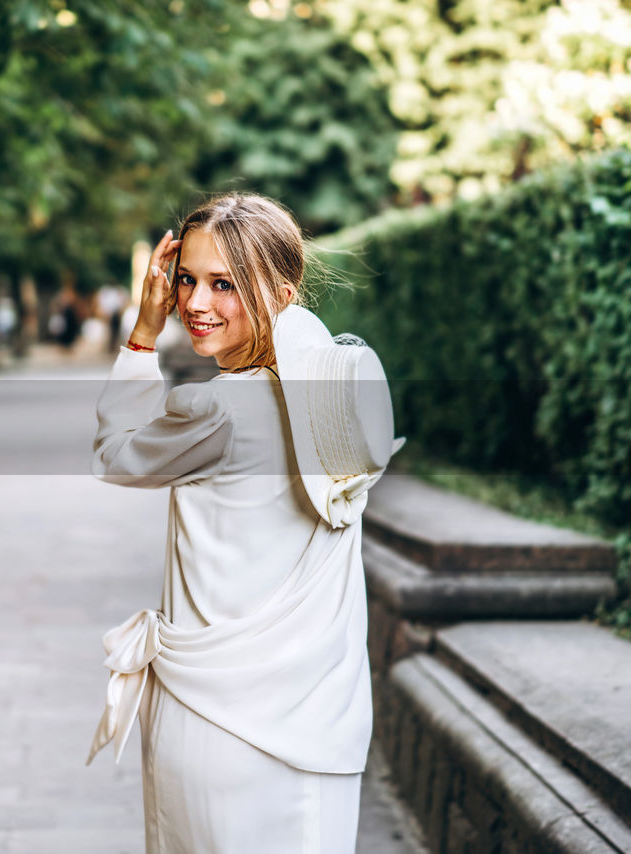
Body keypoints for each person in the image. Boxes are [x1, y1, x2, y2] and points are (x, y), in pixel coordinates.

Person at [85, 193, 403, 853]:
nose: (196, 303)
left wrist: (143, 335)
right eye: (187, 280)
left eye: (223, 284)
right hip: (322, 724)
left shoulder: (218, 408)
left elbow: (116, 456)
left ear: (279, 294)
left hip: (210, 724)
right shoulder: (336, 401)